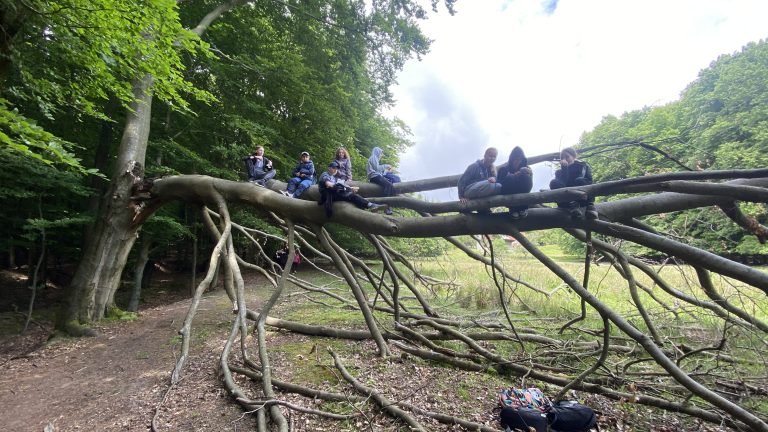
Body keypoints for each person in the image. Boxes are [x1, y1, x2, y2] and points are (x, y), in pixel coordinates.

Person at [318, 161, 387, 217]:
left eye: (336, 168)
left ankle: (368, 208)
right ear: (329, 168)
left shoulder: (333, 177)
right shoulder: (325, 174)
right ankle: (370, 205)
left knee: (352, 194)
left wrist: (350, 188)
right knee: (351, 196)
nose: (335, 170)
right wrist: (345, 188)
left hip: (334, 193)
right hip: (328, 195)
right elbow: (328, 184)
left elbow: (339, 185)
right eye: (333, 168)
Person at [549, 147, 597, 219]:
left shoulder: (582, 166)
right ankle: (572, 207)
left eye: (567, 157)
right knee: (554, 182)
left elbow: (589, 182)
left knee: (580, 180)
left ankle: (590, 207)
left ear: (574, 157)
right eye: (562, 158)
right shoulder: (559, 172)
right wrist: (565, 169)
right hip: (567, 202)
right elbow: (563, 184)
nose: (564, 159)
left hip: (583, 198)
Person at [497, 146, 533, 219]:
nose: (517, 161)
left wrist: (530, 175)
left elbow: (528, 185)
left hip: (522, 195)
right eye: (515, 159)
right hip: (508, 195)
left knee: (527, 178)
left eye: (519, 159)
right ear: (512, 159)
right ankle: (513, 209)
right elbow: (499, 184)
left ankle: (523, 208)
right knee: (510, 178)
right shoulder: (503, 169)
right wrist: (514, 176)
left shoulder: (526, 168)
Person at [366, 147, 399, 215]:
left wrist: (387, 171)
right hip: (374, 177)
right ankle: (383, 204)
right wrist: (386, 166)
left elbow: (379, 171)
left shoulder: (375, 159)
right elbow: (377, 169)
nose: (381, 155)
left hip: (376, 176)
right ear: (377, 152)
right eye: (381, 153)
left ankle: (387, 207)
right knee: (389, 185)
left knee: (389, 186)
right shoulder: (373, 157)